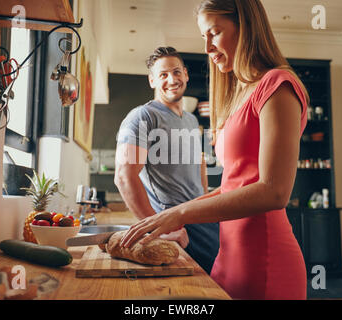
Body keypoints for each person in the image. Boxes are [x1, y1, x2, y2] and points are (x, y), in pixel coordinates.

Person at [120, 0, 310, 300]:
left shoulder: (277, 84)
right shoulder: (238, 94)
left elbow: (274, 191)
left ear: (246, 27)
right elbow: (232, 184)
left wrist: (179, 213)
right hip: (229, 253)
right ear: (152, 80)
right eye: (203, 37)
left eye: (215, 32)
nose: (207, 47)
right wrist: (170, 217)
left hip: (264, 258)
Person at [114, 47, 220, 274]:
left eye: (176, 72)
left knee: (219, 285)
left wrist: (203, 201)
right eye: (163, 75)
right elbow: (124, 177)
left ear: (186, 74)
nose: (172, 79)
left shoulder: (191, 120)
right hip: (174, 225)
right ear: (152, 80)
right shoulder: (142, 116)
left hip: (203, 221)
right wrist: (158, 230)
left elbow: (199, 162)